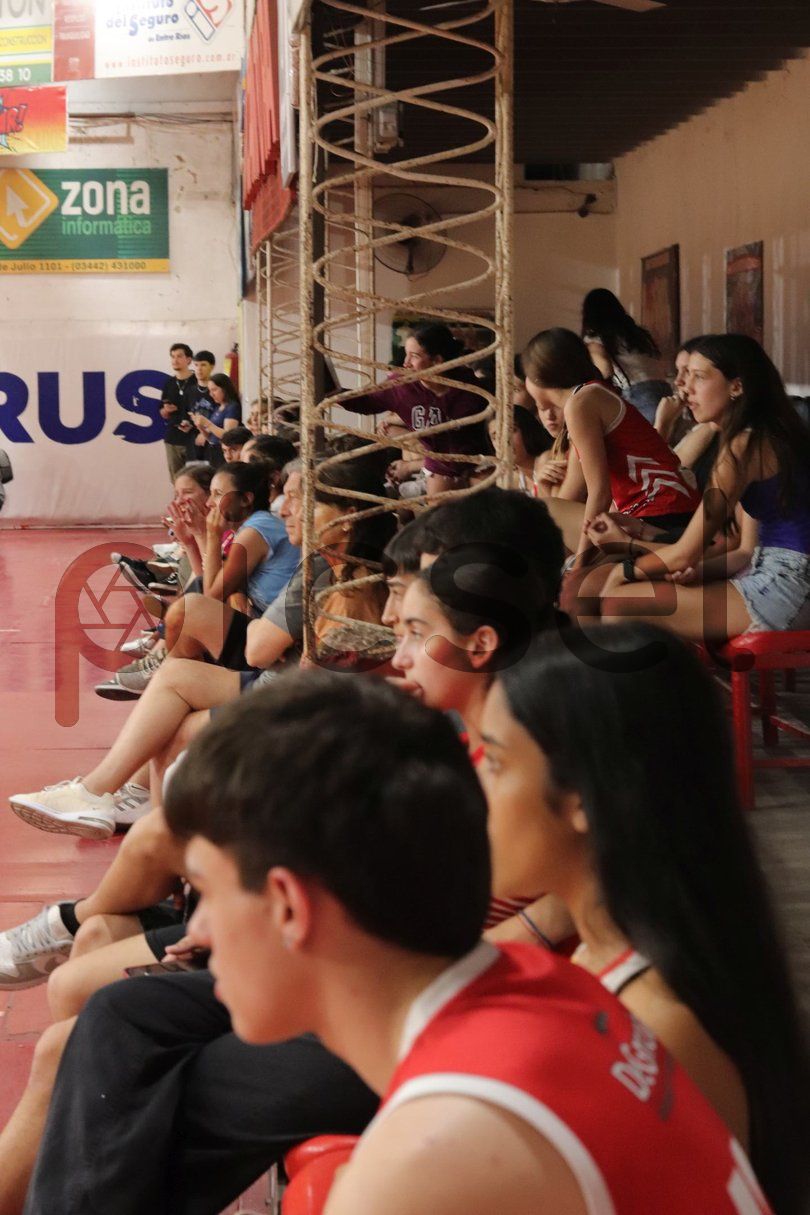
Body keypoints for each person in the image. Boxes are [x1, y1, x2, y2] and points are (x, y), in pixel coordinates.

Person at [137, 671, 778, 1215]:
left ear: (289, 905)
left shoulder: (428, 1158)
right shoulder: (554, 982)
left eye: (207, 891)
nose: (199, 927)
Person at [482, 623, 810, 1214]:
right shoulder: (617, 948)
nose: (478, 790)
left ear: (582, 796)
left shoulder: (653, 1029)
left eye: (497, 764)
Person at [596, 334, 810, 640]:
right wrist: (697, 572)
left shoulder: (742, 447)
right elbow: (746, 551)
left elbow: (686, 552)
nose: (685, 387)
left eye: (699, 376)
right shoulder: (767, 433)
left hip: (784, 589)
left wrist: (624, 570)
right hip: (784, 580)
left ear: (736, 387)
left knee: (619, 601)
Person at [522, 328, 701, 562]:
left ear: (538, 377)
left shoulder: (581, 403)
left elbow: (600, 493)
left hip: (661, 514)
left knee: (544, 512)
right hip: (664, 511)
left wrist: (582, 563)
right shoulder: (592, 394)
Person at [347, 323, 493, 497]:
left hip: (480, 463)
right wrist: (333, 392)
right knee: (439, 508)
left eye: (414, 356)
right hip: (440, 467)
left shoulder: (471, 388)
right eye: (406, 354)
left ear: (437, 360)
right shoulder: (401, 386)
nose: (405, 363)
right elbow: (366, 402)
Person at [581, 287, 671, 423]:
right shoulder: (637, 333)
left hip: (639, 393)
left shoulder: (594, 339)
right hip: (665, 389)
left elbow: (605, 371)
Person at [160, 343, 197, 481]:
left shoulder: (198, 382)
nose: (175, 360)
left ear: (189, 359)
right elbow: (162, 412)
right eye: (173, 356)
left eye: (179, 356)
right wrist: (166, 410)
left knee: (197, 479)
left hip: (194, 438)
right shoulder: (169, 383)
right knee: (177, 480)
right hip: (173, 439)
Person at [190, 372, 241, 467]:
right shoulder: (218, 407)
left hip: (223, 452)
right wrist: (200, 426)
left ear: (224, 389)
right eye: (210, 391)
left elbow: (228, 435)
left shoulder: (232, 407)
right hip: (212, 450)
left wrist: (208, 423)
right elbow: (210, 437)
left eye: (214, 390)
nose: (211, 394)